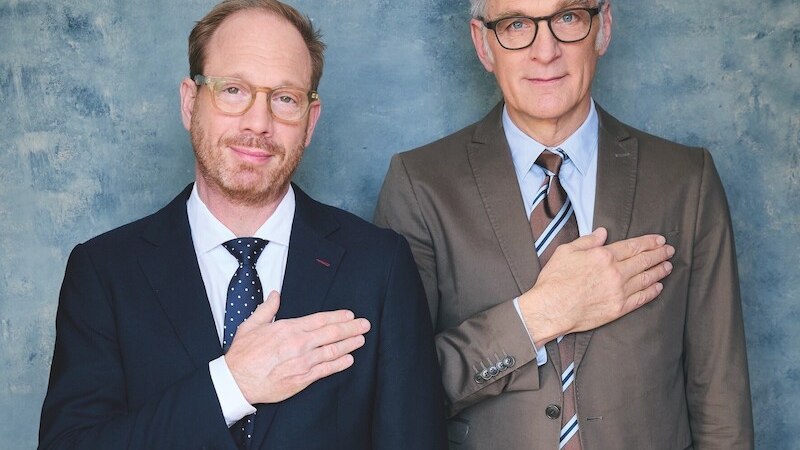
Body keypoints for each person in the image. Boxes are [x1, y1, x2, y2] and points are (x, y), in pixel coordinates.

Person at [38, 1, 446, 449]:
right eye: (233, 90)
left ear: (309, 122)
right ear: (190, 102)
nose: (258, 123)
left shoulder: (380, 267)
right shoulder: (103, 271)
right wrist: (230, 385)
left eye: (285, 98)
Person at [375, 0, 753, 448]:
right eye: (516, 25)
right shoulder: (420, 184)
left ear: (603, 27)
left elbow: (720, 400)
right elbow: (393, 390)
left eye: (567, 17)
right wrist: (537, 317)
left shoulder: (687, 180)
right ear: (483, 44)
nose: (545, 50)